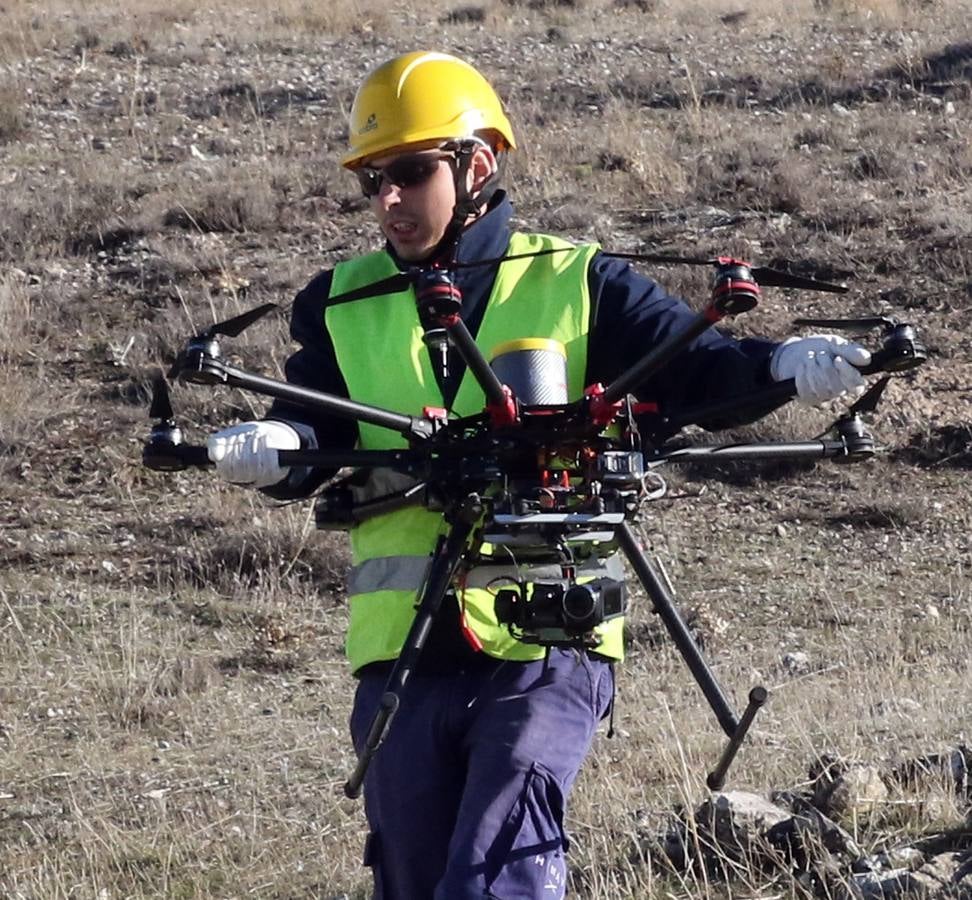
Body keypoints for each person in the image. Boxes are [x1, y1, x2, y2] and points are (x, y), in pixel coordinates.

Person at [205, 51, 871, 899]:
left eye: (411, 172)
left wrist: (783, 365)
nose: (389, 201)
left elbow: (698, 372)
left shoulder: (582, 281)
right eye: (373, 180)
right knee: (410, 880)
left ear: (478, 163)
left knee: (493, 877)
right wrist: (273, 444)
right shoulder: (339, 301)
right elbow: (321, 424)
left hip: (549, 644)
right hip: (400, 658)